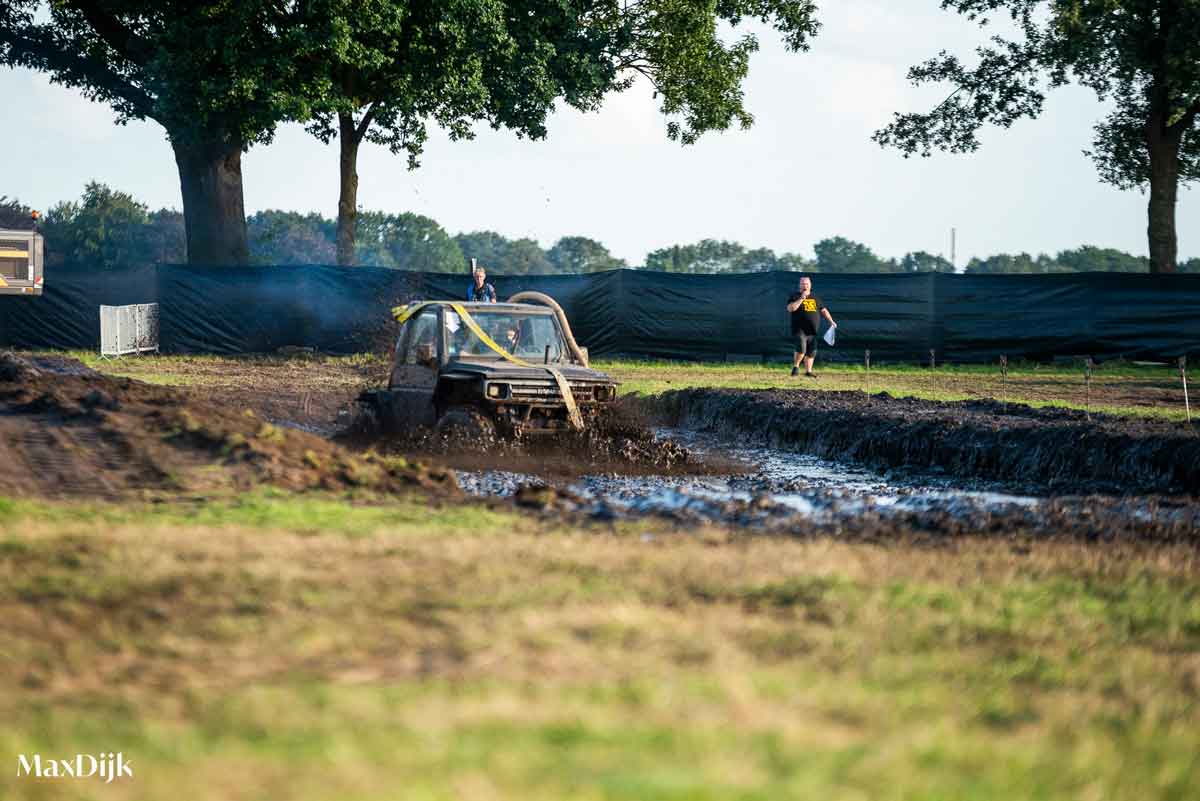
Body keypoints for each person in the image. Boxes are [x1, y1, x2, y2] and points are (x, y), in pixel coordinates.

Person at [785, 275, 836, 378]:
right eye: (803, 284)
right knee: (801, 349)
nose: (805, 286)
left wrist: (831, 321)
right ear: (799, 285)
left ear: (810, 285)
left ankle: (808, 371)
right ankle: (796, 367)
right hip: (799, 329)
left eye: (807, 284)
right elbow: (791, 309)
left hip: (813, 330)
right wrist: (801, 298)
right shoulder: (794, 296)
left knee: (811, 352)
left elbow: (823, 310)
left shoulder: (815, 298)